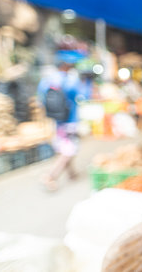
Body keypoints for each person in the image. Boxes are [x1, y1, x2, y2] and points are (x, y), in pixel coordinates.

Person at [38, 61, 83, 191]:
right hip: (69, 121)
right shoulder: (70, 81)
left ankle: (72, 174)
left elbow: (41, 98)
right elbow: (81, 95)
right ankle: (50, 176)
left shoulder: (47, 80)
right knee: (69, 151)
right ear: (66, 66)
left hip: (57, 122)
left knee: (65, 148)